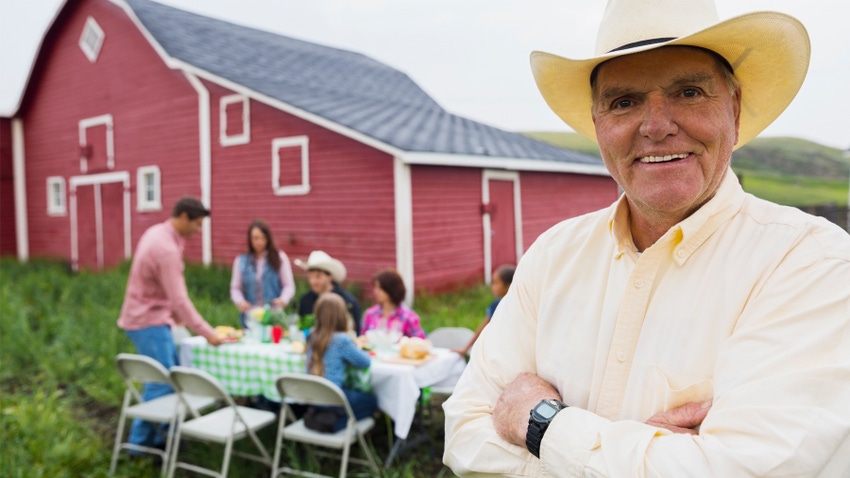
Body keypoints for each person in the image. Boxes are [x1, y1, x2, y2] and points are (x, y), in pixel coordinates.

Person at [443, 0, 850, 476]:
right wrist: (660, 457)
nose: (656, 126)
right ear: (597, 125)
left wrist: (541, 426)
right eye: (624, 102)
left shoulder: (811, 262)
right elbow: (465, 435)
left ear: (734, 110)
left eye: (690, 92)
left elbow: (747, 469)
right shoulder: (554, 255)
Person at [117, 196, 223, 452]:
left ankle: (163, 435)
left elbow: (157, 285)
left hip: (147, 315)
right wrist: (209, 333)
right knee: (162, 381)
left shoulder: (158, 233)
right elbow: (180, 298)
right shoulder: (166, 248)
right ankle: (139, 447)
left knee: (163, 377)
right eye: (197, 224)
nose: (198, 231)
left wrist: (172, 313)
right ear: (184, 217)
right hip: (147, 321)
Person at [306, 293, 378, 431]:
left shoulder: (311, 335)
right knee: (372, 401)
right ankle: (336, 422)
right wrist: (357, 348)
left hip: (312, 396)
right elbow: (364, 362)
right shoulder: (341, 340)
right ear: (341, 315)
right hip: (333, 397)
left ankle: (321, 416)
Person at [229, 219, 296, 328]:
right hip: (250, 315)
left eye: (262, 238)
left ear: (268, 239)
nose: (259, 242)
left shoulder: (279, 258)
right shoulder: (241, 261)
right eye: (255, 238)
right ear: (250, 239)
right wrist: (240, 301)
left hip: (273, 314)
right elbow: (235, 288)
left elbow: (288, 285)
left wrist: (283, 299)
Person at [452, 264, 514, 357]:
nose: (492, 287)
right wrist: (465, 349)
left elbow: (482, 328)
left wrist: (465, 349)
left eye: (496, 283)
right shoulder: (500, 303)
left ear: (508, 286)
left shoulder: (500, 305)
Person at [295, 250, 362, 334]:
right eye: (311, 277)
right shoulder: (306, 300)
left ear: (330, 276)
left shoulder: (347, 301)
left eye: (318, 277)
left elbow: (356, 332)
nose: (313, 282)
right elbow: (303, 330)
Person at [361, 268, 426, 339]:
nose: (376, 291)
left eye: (380, 288)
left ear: (391, 290)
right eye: (375, 287)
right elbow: (363, 339)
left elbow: (420, 342)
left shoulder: (408, 317)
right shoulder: (370, 314)